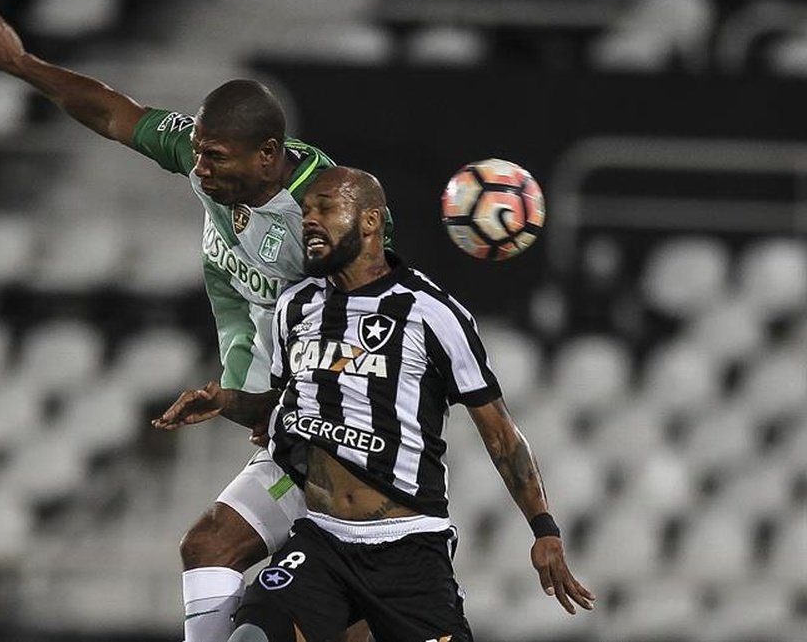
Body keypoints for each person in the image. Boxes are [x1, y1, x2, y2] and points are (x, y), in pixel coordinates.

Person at [0, 4, 388, 642]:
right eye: (198, 154)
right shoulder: (207, 161)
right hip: (287, 425)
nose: (200, 168)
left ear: (269, 155)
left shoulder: (324, 209)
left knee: (341, 609)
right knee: (210, 546)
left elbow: (376, 324)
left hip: (349, 443)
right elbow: (111, 111)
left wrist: (289, 404)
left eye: (215, 158)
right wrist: (21, 64)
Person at [156, 167, 595, 642]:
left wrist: (543, 529)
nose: (310, 220)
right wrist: (227, 401)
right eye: (306, 211)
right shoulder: (296, 306)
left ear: (370, 221)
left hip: (408, 551)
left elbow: (501, 435)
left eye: (325, 207)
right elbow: (280, 405)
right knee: (251, 637)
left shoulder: (432, 312)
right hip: (322, 540)